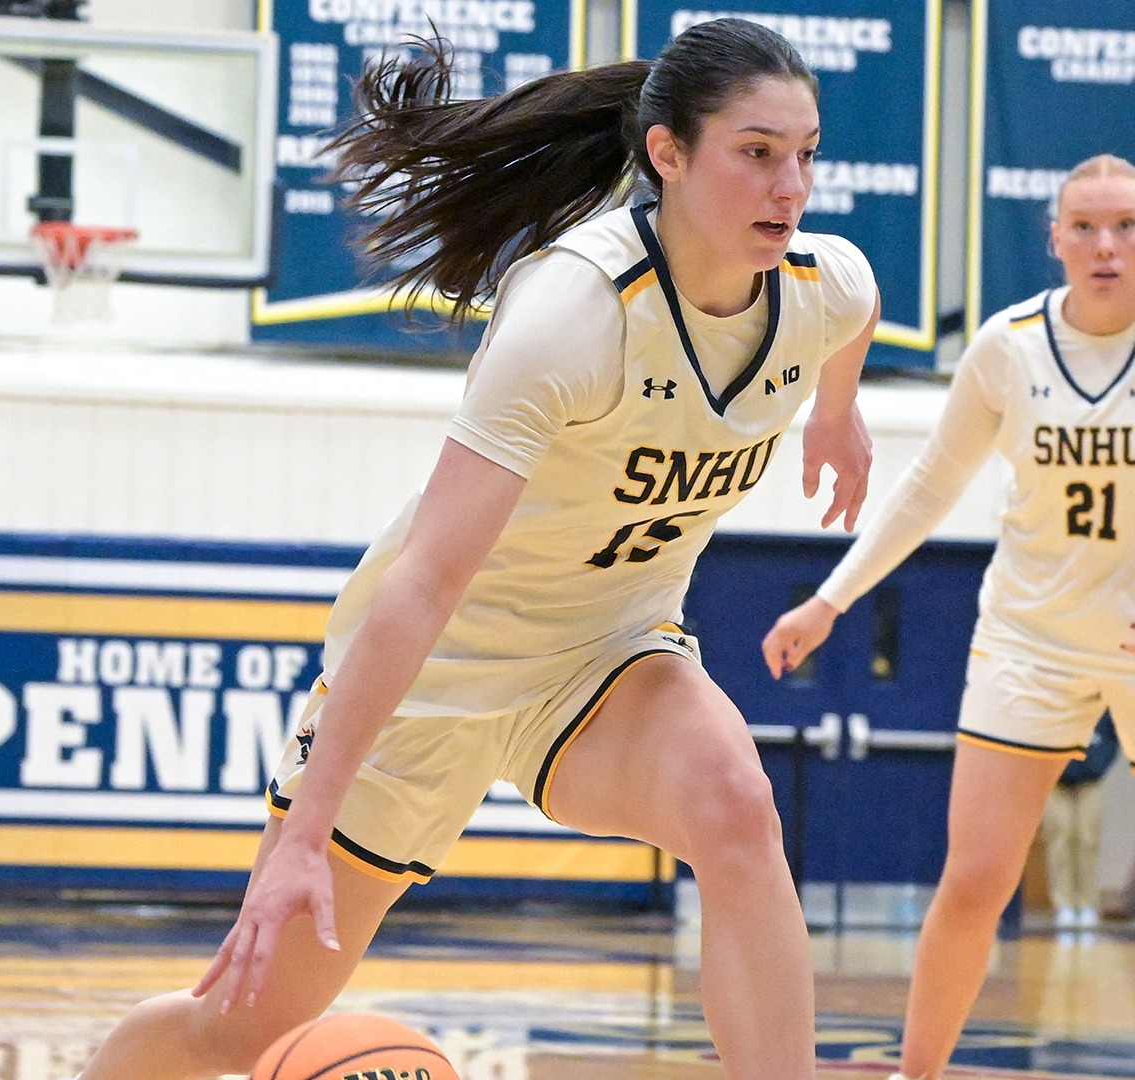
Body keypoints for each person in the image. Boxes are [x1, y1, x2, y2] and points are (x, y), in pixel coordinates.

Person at [76, 19, 879, 1080]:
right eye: (758, 152)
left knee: (735, 802)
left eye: (806, 155)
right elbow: (423, 583)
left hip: (604, 660)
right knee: (238, 1032)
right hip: (432, 674)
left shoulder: (828, 288)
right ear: (669, 154)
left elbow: (846, 327)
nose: (791, 187)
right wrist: (306, 837)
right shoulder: (572, 312)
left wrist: (835, 415)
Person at [762, 154, 1135, 1080]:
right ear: (1055, 239)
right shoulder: (1007, 346)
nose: (1106, 244)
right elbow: (929, 488)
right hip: (1030, 642)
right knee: (974, 883)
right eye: (1084, 226)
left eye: (1125, 225)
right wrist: (831, 599)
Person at [1039, 712, 1117, 930]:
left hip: (1091, 779)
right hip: (1055, 779)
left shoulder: (1103, 701)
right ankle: (1063, 904)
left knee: (1087, 838)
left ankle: (1087, 903)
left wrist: (1098, 764)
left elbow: (1114, 736)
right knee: (1059, 837)